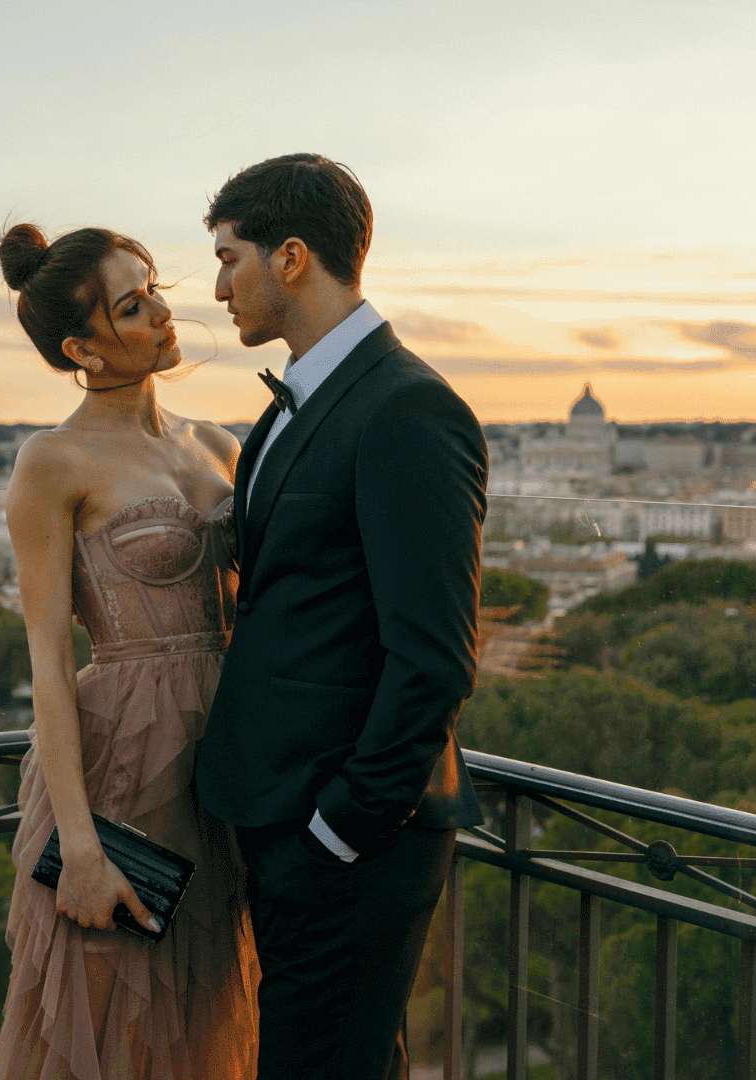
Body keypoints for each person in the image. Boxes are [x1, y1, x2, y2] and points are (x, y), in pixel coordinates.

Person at [194, 154, 488, 1079]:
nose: (217, 286)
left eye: (228, 257)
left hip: (348, 838)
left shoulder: (408, 409)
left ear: (290, 259)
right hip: (292, 818)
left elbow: (434, 657)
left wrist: (342, 826)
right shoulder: (306, 404)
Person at [0, 222, 261, 1080]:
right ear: (83, 348)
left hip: (228, 756)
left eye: (155, 293)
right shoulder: (53, 461)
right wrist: (81, 848)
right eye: (133, 307)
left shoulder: (216, 441)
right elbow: (47, 660)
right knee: (117, 1012)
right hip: (126, 766)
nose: (164, 316)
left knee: (208, 1005)